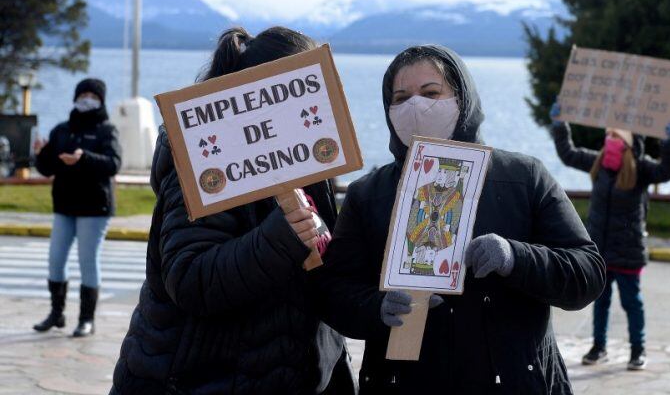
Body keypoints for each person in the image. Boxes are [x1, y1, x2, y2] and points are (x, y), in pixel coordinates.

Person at [310, 45, 606, 394]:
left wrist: (516, 257)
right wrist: (377, 307)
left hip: (512, 380)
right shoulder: (368, 194)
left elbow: (587, 273)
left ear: (462, 98)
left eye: (431, 93)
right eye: (401, 98)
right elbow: (332, 292)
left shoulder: (524, 178)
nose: (415, 107)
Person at [110, 27, 355, 394]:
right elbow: (190, 276)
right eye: (308, 85)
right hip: (200, 380)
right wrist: (281, 237)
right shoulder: (204, 164)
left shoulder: (303, 161)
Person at [549, 102, 670, 371]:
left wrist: (669, 142)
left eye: (617, 136)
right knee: (601, 302)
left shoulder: (641, 168)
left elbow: (667, 171)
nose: (611, 140)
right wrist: (560, 125)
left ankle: (637, 350)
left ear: (629, 143)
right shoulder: (600, 163)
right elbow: (568, 154)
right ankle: (599, 347)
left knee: (632, 303)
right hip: (600, 250)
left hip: (628, 251)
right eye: (609, 135)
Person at [33, 78, 122, 337]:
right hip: (64, 205)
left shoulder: (107, 131)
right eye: (82, 94)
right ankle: (56, 313)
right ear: (74, 97)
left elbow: (113, 164)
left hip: (94, 207)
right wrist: (40, 154)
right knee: (55, 260)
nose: (87, 99)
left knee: (88, 261)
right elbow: (47, 168)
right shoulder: (62, 130)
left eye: (92, 95)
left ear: (101, 100)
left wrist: (84, 158)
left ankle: (86, 319)